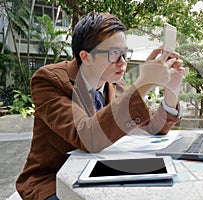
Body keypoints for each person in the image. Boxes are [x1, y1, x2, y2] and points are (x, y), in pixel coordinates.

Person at [16, 12, 184, 200]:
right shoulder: (49, 80)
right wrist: (143, 84)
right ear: (86, 57)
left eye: (124, 54)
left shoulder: (115, 83)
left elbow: (153, 127)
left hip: (100, 170)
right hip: (53, 180)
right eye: (114, 54)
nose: (123, 62)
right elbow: (87, 137)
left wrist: (172, 88)